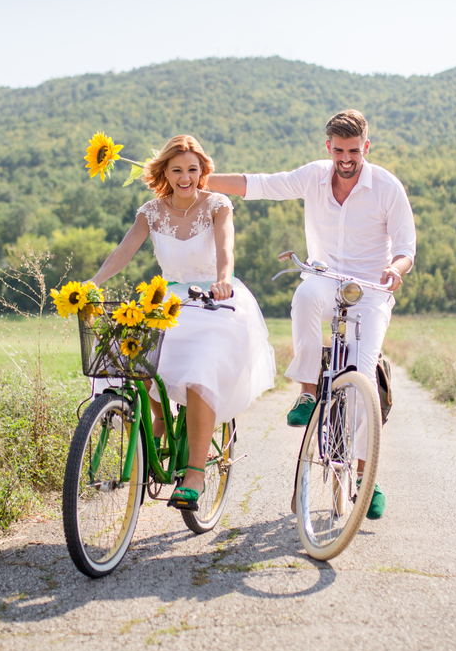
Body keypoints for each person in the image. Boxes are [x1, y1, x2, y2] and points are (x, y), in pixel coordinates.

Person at [209, 109, 416, 519]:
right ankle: (307, 392)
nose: (346, 158)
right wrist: (198, 179)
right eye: (339, 149)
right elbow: (261, 185)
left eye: (354, 150)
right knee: (305, 296)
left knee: (362, 377)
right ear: (328, 147)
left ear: (366, 148)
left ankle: (362, 478)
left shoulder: (388, 187)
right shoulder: (314, 175)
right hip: (327, 278)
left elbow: (406, 248)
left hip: (371, 291)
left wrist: (395, 269)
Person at [87, 135, 276, 511]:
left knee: (201, 368)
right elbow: (125, 250)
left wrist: (223, 278)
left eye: (193, 169)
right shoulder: (151, 212)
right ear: (165, 173)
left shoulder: (218, 206)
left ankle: (195, 474)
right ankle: (158, 418)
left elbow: (226, 248)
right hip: (167, 299)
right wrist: (93, 283)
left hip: (214, 301)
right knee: (129, 353)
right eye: (177, 170)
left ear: (203, 172)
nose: (186, 177)